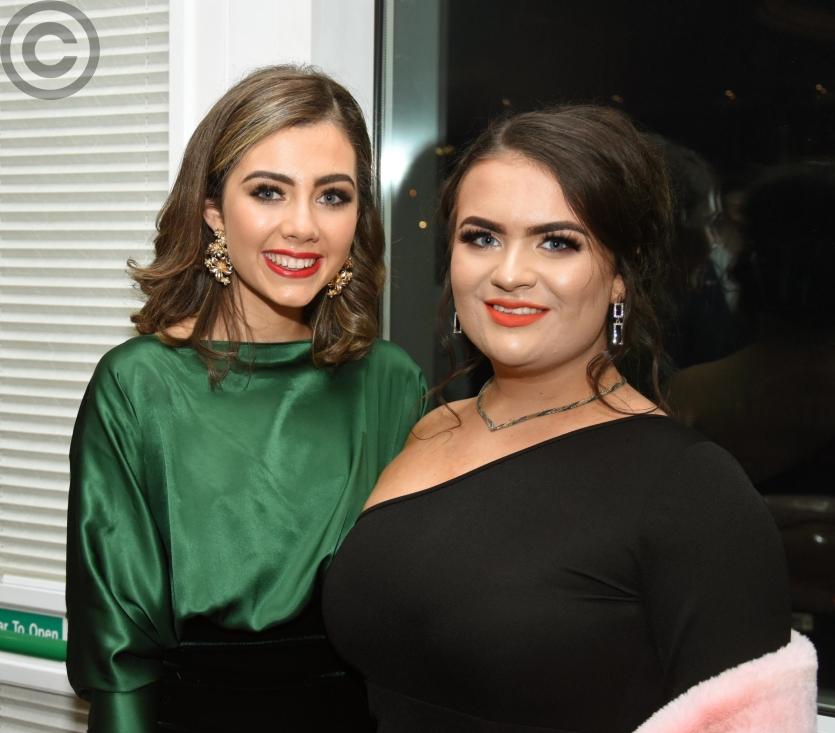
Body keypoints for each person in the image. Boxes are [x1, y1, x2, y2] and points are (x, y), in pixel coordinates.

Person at [322, 107, 817, 732]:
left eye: (557, 242)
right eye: (482, 237)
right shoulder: (432, 429)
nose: (509, 274)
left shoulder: (690, 489)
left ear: (620, 276)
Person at [66, 65, 425, 732]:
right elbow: (116, 656)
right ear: (213, 212)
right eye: (268, 192)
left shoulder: (392, 382)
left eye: (332, 196)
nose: (303, 226)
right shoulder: (138, 384)